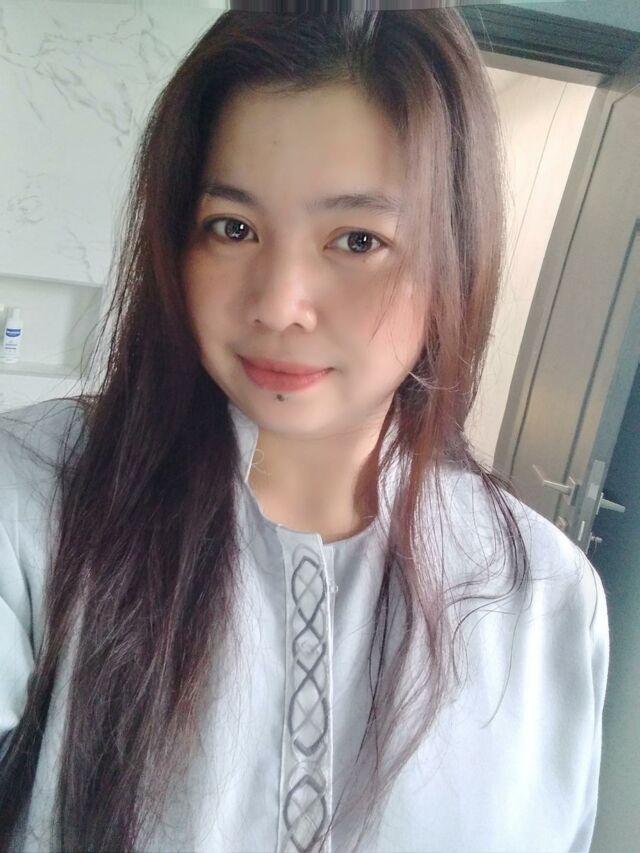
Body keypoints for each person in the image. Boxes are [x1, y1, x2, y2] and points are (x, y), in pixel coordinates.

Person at [0, 9, 609, 853]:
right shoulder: (33, 498)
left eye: (358, 239)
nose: (280, 303)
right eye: (233, 227)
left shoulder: (547, 597)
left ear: (454, 263)